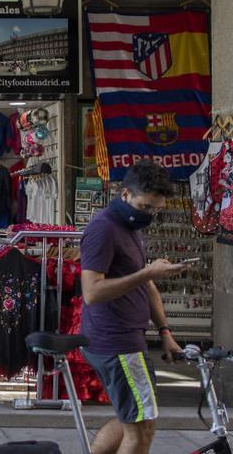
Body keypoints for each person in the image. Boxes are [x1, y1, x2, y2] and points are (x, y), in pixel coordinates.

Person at [80, 159, 186, 454]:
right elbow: (92, 292)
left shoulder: (129, 226)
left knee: (132, 418)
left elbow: (145, 283)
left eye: (156, 209)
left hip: (126, 339)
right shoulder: (103, 229)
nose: (150, 215)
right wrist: (147, 273)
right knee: (141, 429)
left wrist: (164, 330)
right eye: (145, 208)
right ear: (124, 194)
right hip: (116, 342)